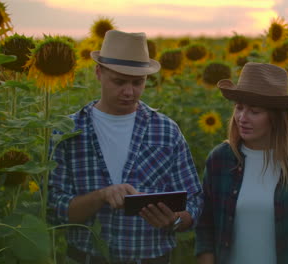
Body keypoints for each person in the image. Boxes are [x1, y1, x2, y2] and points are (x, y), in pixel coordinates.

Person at [48, 30, 203, 264]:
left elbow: (194, 200)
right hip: (87, 258)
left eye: (137, 82)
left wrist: (175, 220)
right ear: (98, 73)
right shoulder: (67, 131)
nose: (129, 92)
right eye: (119, 81)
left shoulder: (166, 131)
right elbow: (54, 208)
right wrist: (101, 196)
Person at [195, 62, 288, 264]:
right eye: (239, 108)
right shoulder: (220, 160)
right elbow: (205, 228)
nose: (242, 118)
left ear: (277, 117)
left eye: (254, 111)